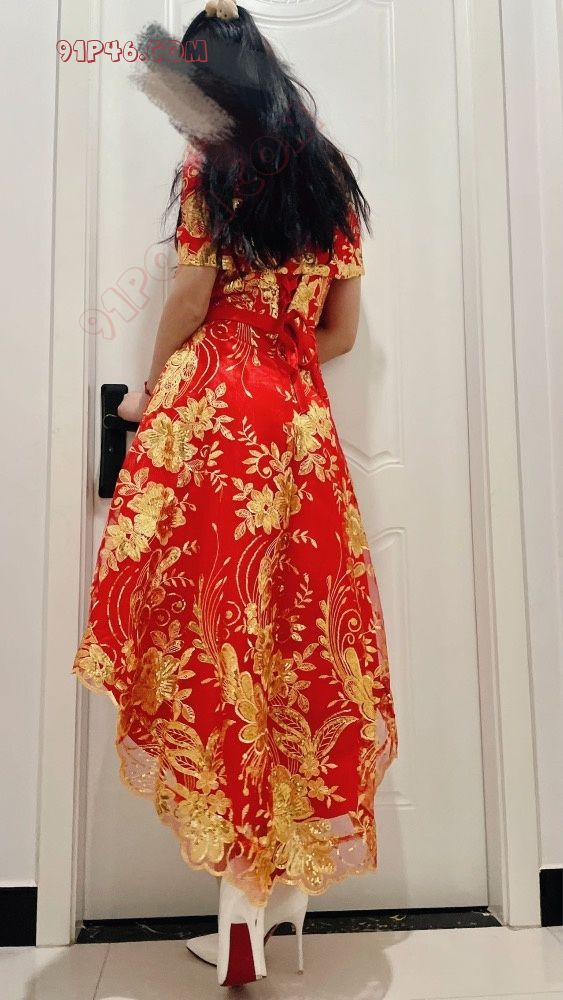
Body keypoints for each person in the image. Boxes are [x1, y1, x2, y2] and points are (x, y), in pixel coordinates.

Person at [71, 1, 398, 987]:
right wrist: (279, 357)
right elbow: (340, 332)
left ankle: (241, 904)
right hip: (298, 424)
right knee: (294, 639)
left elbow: (186, 296)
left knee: (215, 637)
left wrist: (149, 391)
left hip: (216, 415)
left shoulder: (211, 168)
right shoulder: (328, 175)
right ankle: (275, 897)